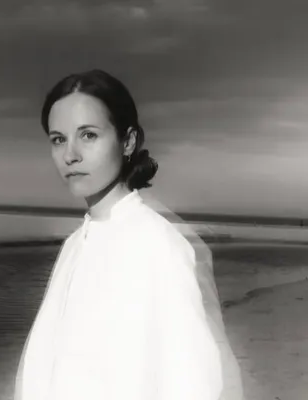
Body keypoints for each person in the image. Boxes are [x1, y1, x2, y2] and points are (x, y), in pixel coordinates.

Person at [14, 69, 241, 400]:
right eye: (58, 139)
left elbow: (193, 382)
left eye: (88, 135)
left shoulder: (159, 246)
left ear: (128, 141)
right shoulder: (75, 244)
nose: (70, 155)